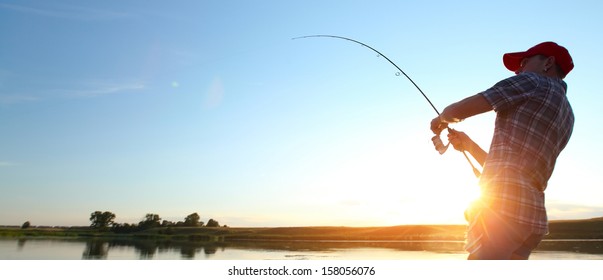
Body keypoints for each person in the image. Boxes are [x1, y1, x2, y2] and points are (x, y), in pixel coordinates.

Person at [430, 42, 575, 260]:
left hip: (503, 211)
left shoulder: (532, 82)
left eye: (525, 62)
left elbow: (455, 111)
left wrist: (441, 119)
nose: (519, 70)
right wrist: (469, 145)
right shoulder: (568, 114)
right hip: (531, 219)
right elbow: (513, 169)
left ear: (548, 63)